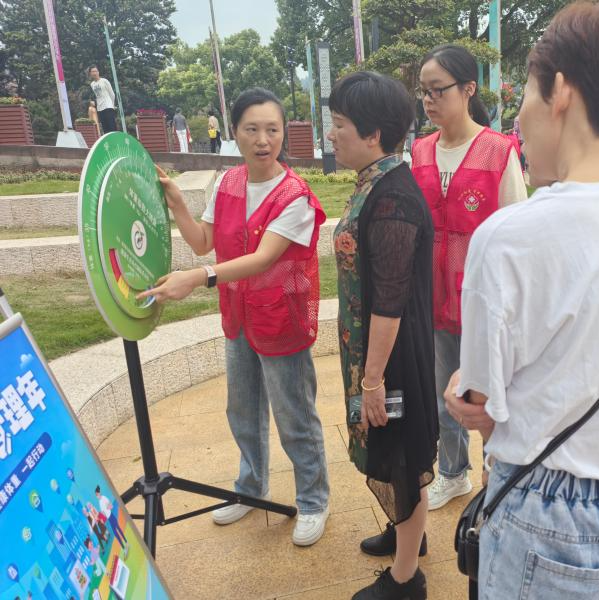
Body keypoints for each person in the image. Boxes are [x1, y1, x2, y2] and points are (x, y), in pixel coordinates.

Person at [444, 2, 599, 598]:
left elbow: (481, 402)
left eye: (526, 96)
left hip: (547, 515)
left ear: (561, 91)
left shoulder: (508, 235)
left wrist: (461, 390)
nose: (519, 123)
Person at [138, 88, 331, 547]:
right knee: (242, 409)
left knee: (294, 415)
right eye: (252, 129)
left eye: (272, 130)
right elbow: (203, 242)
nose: (263, 140)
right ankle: (251, 488)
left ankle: (313, 500)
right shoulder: (228, 183)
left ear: (283, 134)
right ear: (234, 132)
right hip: (239, 316)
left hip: (281, 320)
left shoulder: (296, 196)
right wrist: (177, 204)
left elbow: (262, 259)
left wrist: (197, 278)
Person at [329, 71, 436, 600]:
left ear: (373, 134)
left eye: (339, 125)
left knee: (401, 456)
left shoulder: (393, 199)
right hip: (375, 352)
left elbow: (390, 302)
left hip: (392, 359)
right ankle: (406, 535)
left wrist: (373, 381)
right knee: (390, 449)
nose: (331, 135)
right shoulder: (375, 181)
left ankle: (405, 578)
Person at [411, 44, 528, 512]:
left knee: (490, 390)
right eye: (424, 91)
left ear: (468, 89)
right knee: (445, 388)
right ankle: (452, 472)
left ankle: (496, 472)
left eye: (438, 90)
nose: (429, 100)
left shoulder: (498, 151)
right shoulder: (420, 151)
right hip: (434, 295)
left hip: (484, 298)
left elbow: (518, 230)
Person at [95, 485, 128, 553]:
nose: (97, 496)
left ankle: (126, 543)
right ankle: (124, 547)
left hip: (111, 516)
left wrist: (108, 507)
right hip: (109, 519)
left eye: (97, 494)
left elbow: (111, 506)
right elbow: (103, 513)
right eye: (96, 495)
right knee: (116, 533)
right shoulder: (99, 502)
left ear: (99, 493)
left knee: (118, 529)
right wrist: (101, 518)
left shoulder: (104, 498)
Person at [88, 66, 117, 134]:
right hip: (100, 108)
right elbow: (97, 96)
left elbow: (112, 94)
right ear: (90, 73)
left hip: (108, 107)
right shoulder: (92, 84)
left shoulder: (104, 81)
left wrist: (112, 105)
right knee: (105, 129)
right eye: (93, 71)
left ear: (98, 72)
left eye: (96, 71)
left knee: (112, 127)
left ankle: (115, 139)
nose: (95, 73)